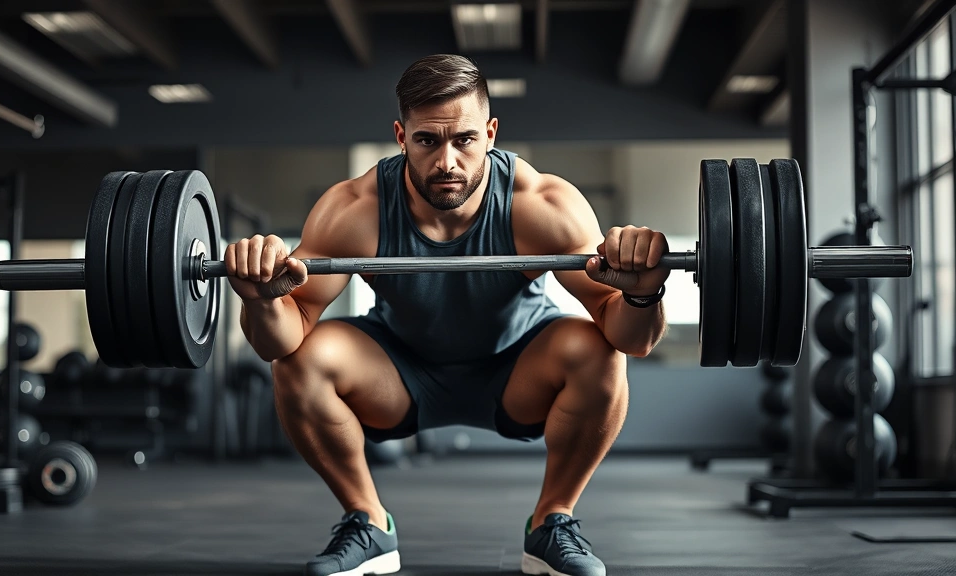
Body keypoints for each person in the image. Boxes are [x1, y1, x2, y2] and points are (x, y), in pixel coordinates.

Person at [226, 54, 670, 576]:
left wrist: (642, 294)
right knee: (300, 361)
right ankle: (368, 523)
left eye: (464, 139)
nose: (447, 162)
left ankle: (552, 522)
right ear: (400, 134)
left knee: (599, 350)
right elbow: (279, 339)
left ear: (491, 132)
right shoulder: (356, 208)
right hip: (400, 373)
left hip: (518, 368)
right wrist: (260, 299)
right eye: (427, 141)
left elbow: (631, 339)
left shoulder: (539, 205)